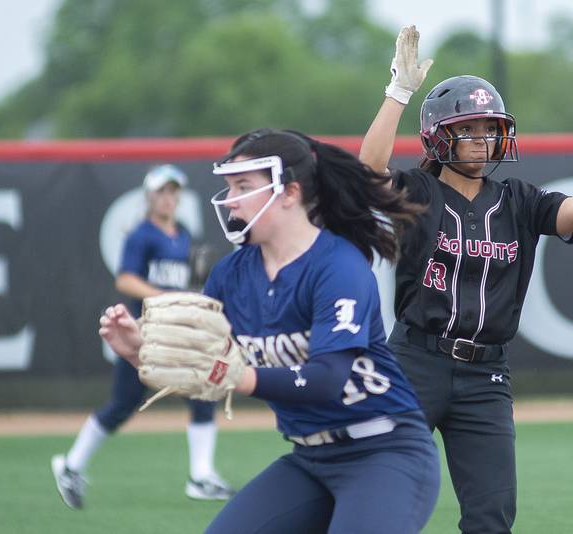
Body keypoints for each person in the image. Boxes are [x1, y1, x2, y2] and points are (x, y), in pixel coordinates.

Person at [358, 26, 573, 534]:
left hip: (485, 374)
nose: (483, 140)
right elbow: (369, 169)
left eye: (489, 129)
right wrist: (398, 92)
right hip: (416, 360)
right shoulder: (419, 191)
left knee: (492, 515)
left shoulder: (518, 199)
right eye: (469, 129)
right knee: (382, 493)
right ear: (439, 134)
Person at [98, 129, 441, 534]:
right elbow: (204, 369)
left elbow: (327, 380)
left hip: (386, 453)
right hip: (309, 458)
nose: (231, 199)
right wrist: (143, 352)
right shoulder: (231, 273)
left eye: (244, 186)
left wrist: (239, 376)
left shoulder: (338, 266)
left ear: (289, 193)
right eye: (229, 186)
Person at [51, 164, 234, 510]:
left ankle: (201, 475)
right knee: (122, 404)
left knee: (203, 393)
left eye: (173, 192)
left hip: (175, 331)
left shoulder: (182, 233)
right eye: (162, 192)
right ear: (149, 196)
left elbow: (188, 280)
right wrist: (167, 296)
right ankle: (71, 466)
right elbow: (125, 280)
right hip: (143, 332)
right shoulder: (141, 235)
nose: (168, 198)